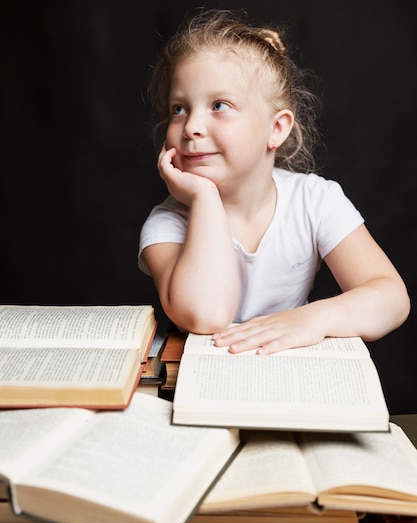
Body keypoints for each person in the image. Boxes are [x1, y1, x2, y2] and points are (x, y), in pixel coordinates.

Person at [138, 8, 410, 355]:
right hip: (200, 384)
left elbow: (391, 298)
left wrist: (315, 318)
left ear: (276, 128)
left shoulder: (315, 200)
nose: (191, 126)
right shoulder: (167, 222)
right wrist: (205, 198)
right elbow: (206, 315)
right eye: (179, 109)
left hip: (285, 375)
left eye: (219, 105)